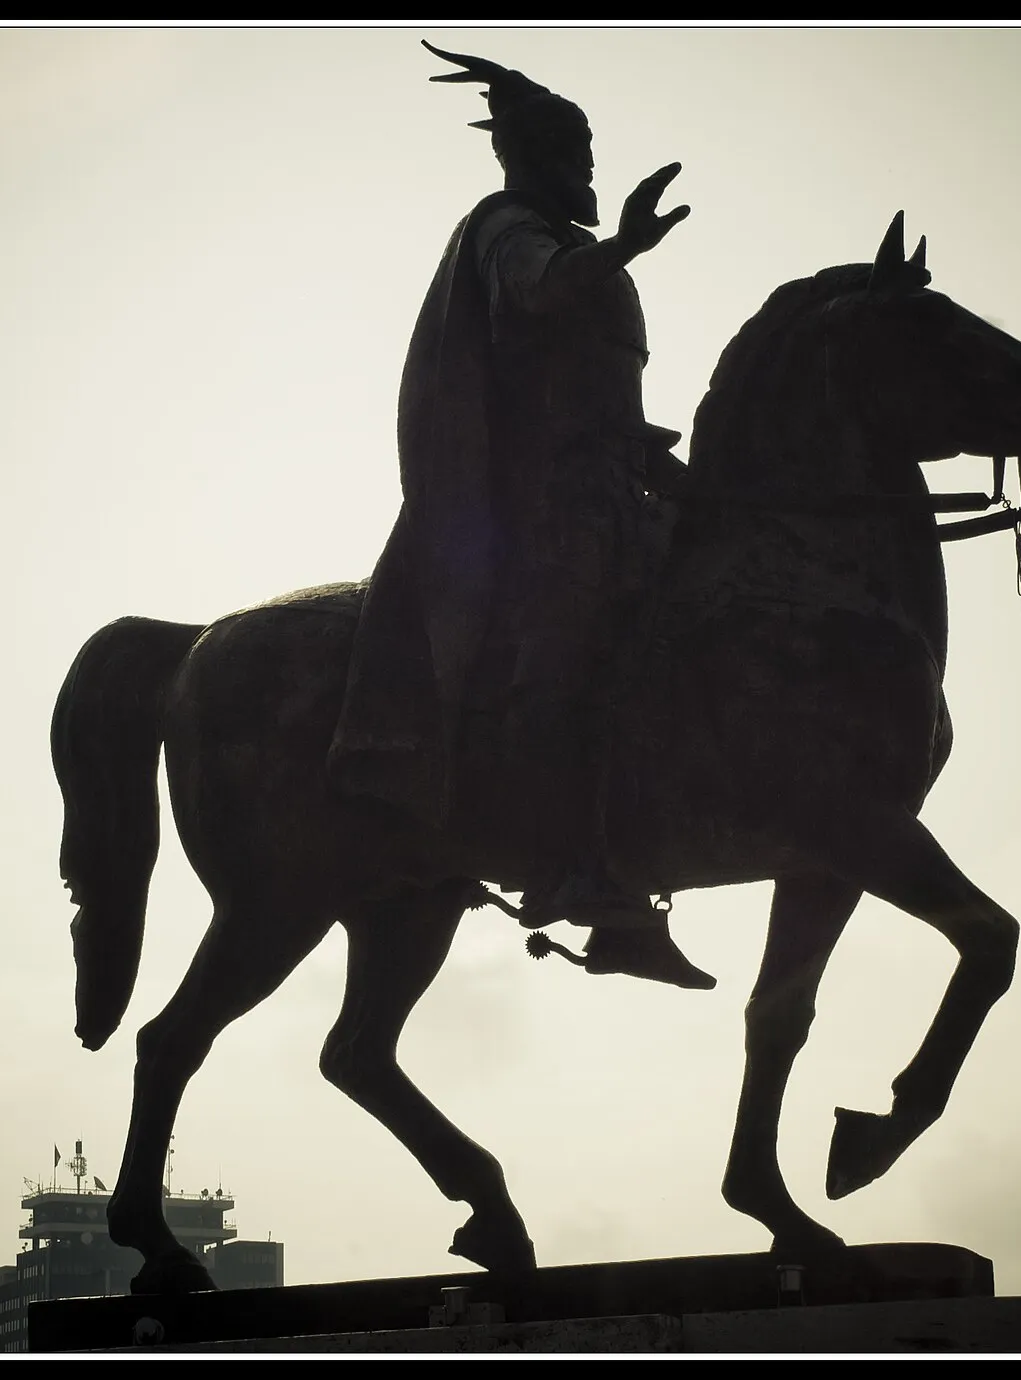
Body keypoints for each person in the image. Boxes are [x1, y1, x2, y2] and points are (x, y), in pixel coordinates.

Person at [327, 41, 712, 990]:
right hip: (544, 509)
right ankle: (568, 865)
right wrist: (624, 245)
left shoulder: (574, 248)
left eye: (588, 151)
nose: (584, 169)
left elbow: (597, 396)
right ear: (528, 159)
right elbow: (540, 291)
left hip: (619, 487)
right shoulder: (508, 231)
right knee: (572, 656)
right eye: (570, 153)